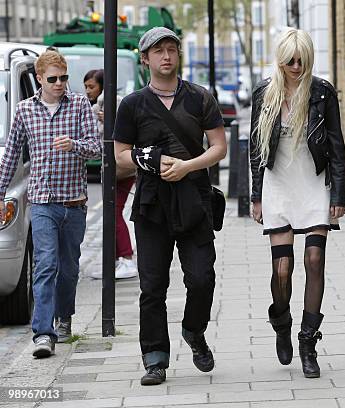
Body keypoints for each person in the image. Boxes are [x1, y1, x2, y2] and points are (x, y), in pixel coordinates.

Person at [114, 27, 227, 386]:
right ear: (144, 59)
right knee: (153, 286)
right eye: (158, 51)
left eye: (172, 49)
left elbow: (219, 147)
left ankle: (194, 331)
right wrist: (150, 161)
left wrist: (187, 166)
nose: (166, 56)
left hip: (194, 197)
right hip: (152, 203)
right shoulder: (132, 104)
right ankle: (155, 358)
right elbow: (118, 157)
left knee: (202, 278)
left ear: (178, 55)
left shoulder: (199, 98)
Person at [249, 28, 345, 378]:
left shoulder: (321, 92)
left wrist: (339, 195)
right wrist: (256, 196)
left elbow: (336, 143)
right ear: (280, 60)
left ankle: (308, 343)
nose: (295, 66)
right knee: (282, 269)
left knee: (315, 258)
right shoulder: (264, 92)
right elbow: (256, 147)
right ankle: (281, 320)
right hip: (278, 183)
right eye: (289, 60)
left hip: (313, 182)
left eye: (301, 60)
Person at [0, 49, 101, 356]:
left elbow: (96, 147)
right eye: (53, 79)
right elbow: (11, 154)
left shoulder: (80, 104)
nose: (60, 84)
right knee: (45, 266)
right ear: (40, 79)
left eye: (64, 78)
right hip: (42, 203)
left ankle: (64, 317)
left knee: (69, 269)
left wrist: (74, 145)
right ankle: (43, 333)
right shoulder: (24, 110)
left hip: (74, 203)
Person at [85, 69, 138, 279]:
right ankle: (115, 260)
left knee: (114, 213)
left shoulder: (110, 101)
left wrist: (108, 120)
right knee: (111, 213)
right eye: (86, 86)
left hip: (121, 168)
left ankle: (126, 258)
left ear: (102, 85)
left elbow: (124, 131)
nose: (88, 90)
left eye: (91, 86)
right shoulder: (103, 103)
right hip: (115, 167)